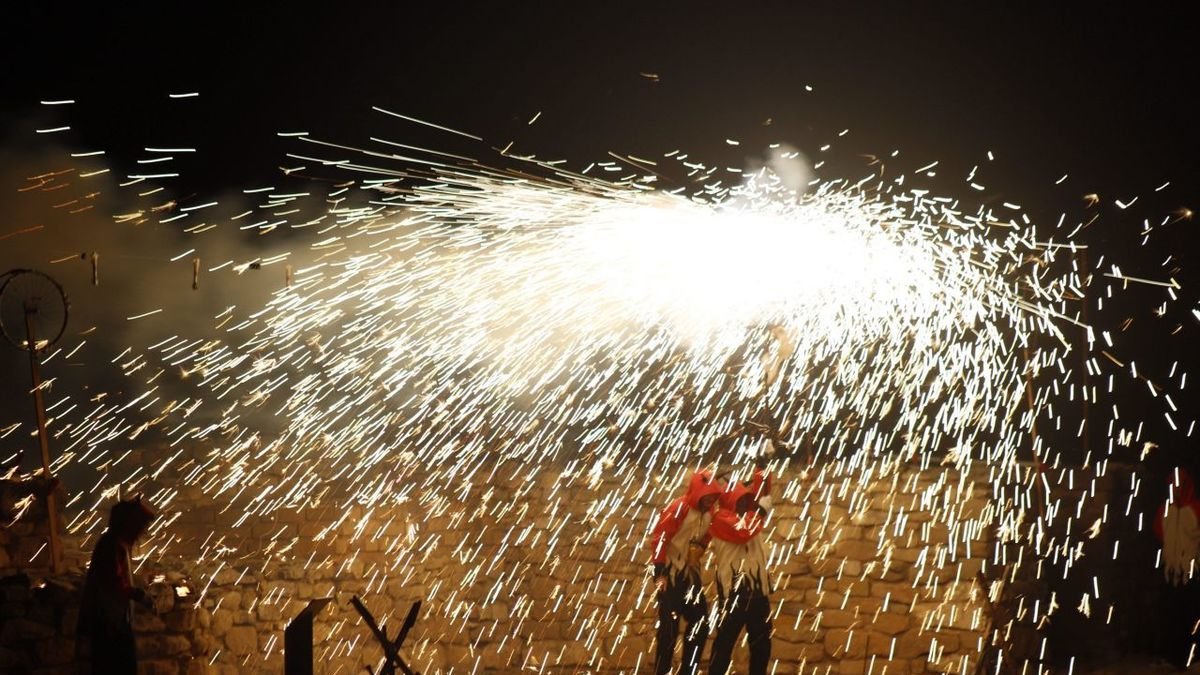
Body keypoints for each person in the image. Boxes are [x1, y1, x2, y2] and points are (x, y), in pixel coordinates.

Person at [648, 468, 724, 675]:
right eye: (707, 496)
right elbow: (660, 538)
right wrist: (660, 573)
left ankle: (688, 671)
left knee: (700, 623)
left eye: (713, 497)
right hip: (669, 572)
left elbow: (706, 535)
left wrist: (700, 548)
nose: (710, 500)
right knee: (668, 630)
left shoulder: (709, 513)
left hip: (690, 575)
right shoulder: (679, 507)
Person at [77, 495, 157, 675]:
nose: (142, 532)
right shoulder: (111, 546)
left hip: (114, 620)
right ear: (130, 525)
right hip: (108, 624)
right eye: (140, 527)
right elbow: (115, 583)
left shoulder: (115, 543)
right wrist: (139, 595)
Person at [707, 464, 773, 675]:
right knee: (724, 645)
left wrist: (764, 464)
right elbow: (743, 531)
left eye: (747, 500)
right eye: (741, 500)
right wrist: (760, 511)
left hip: (758, 592)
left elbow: (763, 491)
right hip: (733, 594)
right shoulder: (720, 519)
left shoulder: (751, 517)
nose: (746, 504)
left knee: (761, 646)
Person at [1153, 468, 1200, 670]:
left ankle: (1192, 657)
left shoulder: (1196, 510)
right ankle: (1173, 656)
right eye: (1174, 485)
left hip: (1192, 572)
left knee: (1190, 615)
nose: (1177, 489)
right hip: (1170, 571)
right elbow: (1159, 532)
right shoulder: (1165, 510)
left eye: (1180, 485)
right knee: (1171, 615)